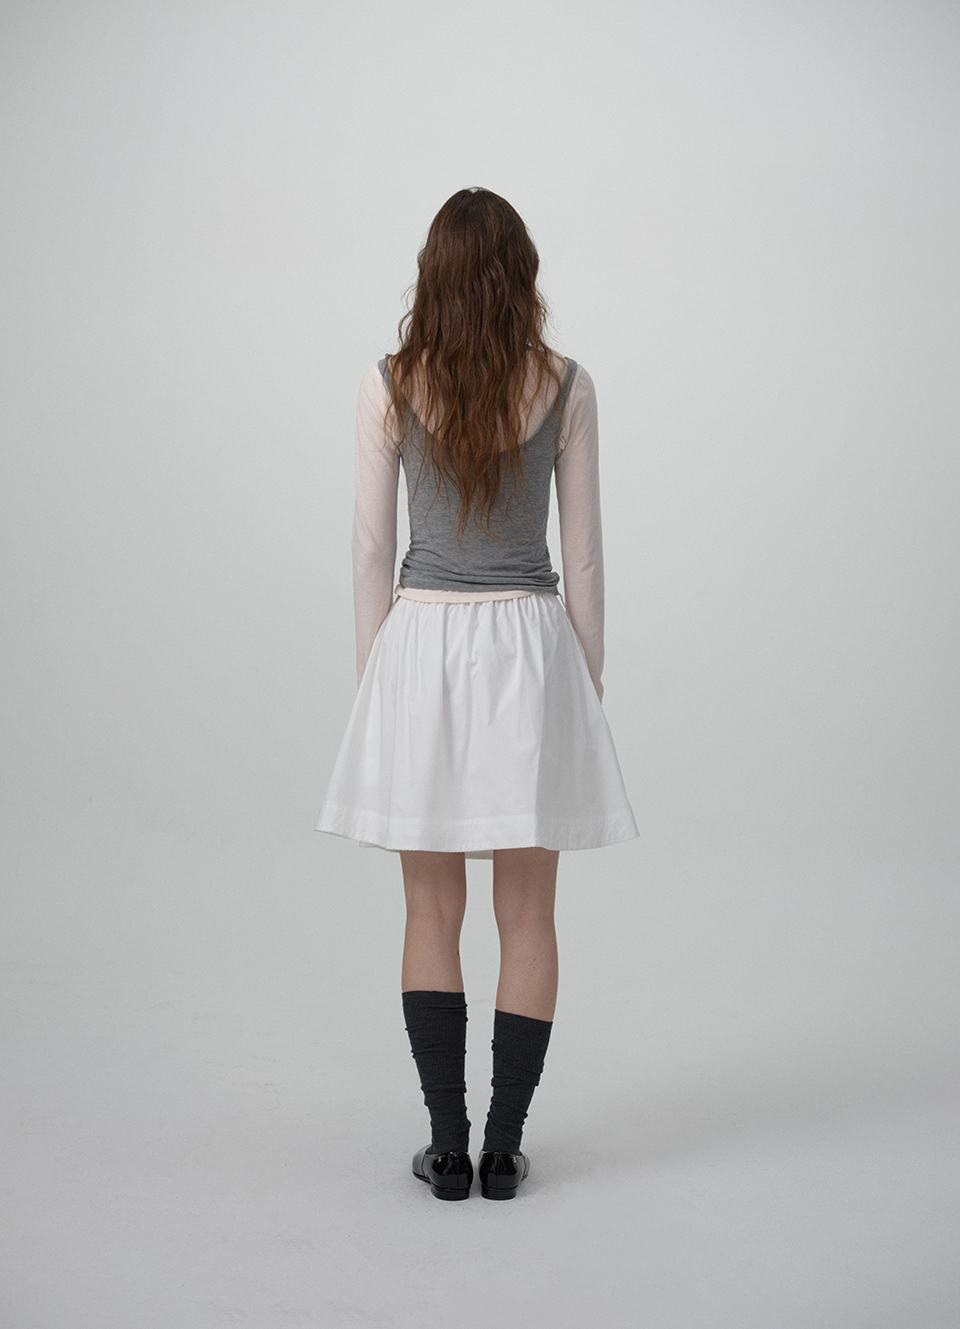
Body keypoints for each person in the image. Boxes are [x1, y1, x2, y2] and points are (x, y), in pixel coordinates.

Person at [316, 188, 638, 1201]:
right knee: (529, 913)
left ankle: (447, 1149)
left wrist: (377, 677)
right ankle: (504, 1150)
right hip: (530, 646)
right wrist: (584, 683)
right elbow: (583, 559)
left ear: (434, 276)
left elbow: (370, 548)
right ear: (520, 274)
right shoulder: (566, 384)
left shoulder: (390, 382)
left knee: (430, 906)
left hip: (422, 640)